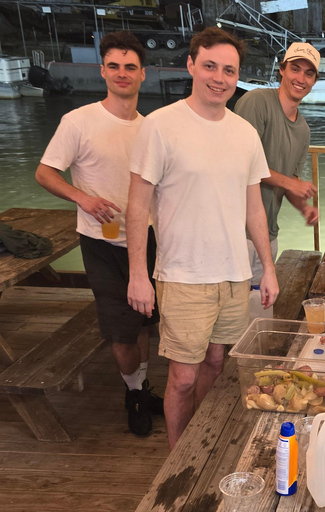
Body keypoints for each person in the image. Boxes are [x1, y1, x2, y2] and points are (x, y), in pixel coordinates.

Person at [126, 27, 279, 450]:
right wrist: (137, 273)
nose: (219, 77)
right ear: (191, 64)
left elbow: (254, 209)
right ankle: (178, 456)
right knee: (183, 375)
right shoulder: (160, 126)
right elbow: (137, 206)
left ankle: (199, 438)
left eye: (229, 70)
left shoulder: (245, 133)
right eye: (210, 66)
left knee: (216, 361)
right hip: (182, 274)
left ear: (237, 76)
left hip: (233, 274)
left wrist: (266, 268)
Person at [35, 31, 162, 437]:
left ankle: (142, 386)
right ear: (102, 71)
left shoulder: (151, 128)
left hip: (149, 239)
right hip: (102, 241)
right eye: (114, 66)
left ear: (143, 74)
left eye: (130, 67)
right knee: (121, 330)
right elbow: (44, 172)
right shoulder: (79, 121)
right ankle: (133, 393)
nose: (122, 74)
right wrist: (82, 198)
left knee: (144, 324)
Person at [234, 42, 320, 286]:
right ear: (282, 70)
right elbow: (242, 163)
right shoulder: (256, 102)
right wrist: (291, 184)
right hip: (236, 232)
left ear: (314, 81)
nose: (301, 78)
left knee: (259, 313)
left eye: (309, 73)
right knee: (231, 317)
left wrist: (304, 208)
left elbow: (290, 183)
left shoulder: (303, 129)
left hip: (267, 233)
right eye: (295, 69)